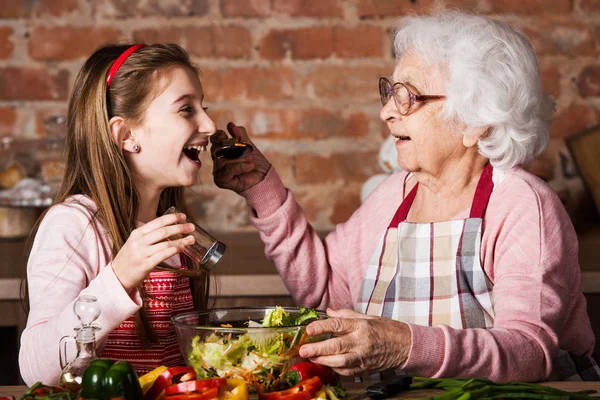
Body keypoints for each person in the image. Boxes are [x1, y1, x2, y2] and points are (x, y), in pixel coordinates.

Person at [211, 11, 600, 382]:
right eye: (389, 92)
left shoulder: (521, 205)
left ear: (473, 121)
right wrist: (263, 188)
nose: (386, 113)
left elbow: (528, 351)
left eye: (407, 96)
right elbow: (325, 292)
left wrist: (403, 345)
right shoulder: (393, 196)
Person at [19, 43, 217, 385]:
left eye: (204, 108)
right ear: (126, 135)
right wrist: (119, 278)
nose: (210, 125)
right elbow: (37, 369)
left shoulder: (174, 227)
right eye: (187, 110)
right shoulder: (73, 226)